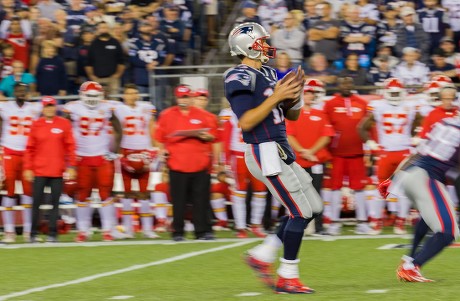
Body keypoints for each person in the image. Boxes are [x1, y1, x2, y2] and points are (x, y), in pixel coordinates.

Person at [225, 22, 323, 294]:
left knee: (313, 206)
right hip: (262, 149)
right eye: (261, 42)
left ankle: (263, 255)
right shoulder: (238, 75)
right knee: (300, 211)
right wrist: (277, 95)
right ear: (247, 46)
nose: (267, 46)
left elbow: (291, 116)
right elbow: (246, 121)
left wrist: (295, 97)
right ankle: (287, 275)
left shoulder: (269, 72)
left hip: (280, 149)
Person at [379, 87, 459, 283]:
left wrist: (393, 178)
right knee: (449, 232)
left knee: (428, 217)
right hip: (426, 178)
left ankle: (409, 258)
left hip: (412, 176)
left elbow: (417, 153)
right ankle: (412, 267)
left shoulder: (445, 123)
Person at [358, 78, 422, 234]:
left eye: (396, 93)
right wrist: (372, 144)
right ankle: (377, 221)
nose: (394, 95)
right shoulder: (379, 106)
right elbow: (361, 128)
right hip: (386, 152)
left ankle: (400, 222)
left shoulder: (410, 106)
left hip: (404, 152)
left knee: (405, 188)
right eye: (391, 92)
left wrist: (417, 136)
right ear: (386, 93)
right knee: (381, 189)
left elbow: (422, 122)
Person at [155, 84, 218, 241]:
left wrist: (205, 137)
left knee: (201, 200)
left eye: (186, 96)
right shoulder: (166, 115)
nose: (184, 99)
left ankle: (203, 231)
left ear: (191, 97)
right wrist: (162, 151)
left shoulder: (204, 115)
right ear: (176, 98)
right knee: (178, 201)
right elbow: (158, 138)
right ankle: (178, 232)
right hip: (177, 164)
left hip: (200, 164)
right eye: (181, 97)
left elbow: (213, 136)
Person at [63, 81, 122, 242]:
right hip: (81, 156)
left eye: (95, 96)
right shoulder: (73, 108)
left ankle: (108, 230)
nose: (92, 99)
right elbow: (64, 129)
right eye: (89, 96)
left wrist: (114, 152)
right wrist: (68, 155)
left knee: (105, 194)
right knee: (82, 195)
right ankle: (83, 230)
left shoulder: (107, 107)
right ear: (82, 95)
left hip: (102, 156)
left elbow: (118, 128)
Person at [323, 76, 372, 235]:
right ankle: (334, 223)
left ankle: (362, 222)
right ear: (338, 85)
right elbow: (325, 128)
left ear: (353, 85)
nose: (346, 85)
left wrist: (370, 149)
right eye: (343, 83)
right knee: (335, 187)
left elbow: (368, 128)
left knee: (359, 188)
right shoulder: (330, 104)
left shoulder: (362, 103)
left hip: (357, 153)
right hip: (336, 154)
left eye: (349, 83)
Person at [23, 96, 76, 243]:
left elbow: (70, 146)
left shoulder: (64, 124)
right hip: (39, 171)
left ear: (55, 107)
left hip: (57, 171)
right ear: (43, 108)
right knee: (36, 204)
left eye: (51, 105)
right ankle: (33, 234)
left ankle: (53, 234)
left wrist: (71, 166)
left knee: (55, 204)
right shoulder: (36, 125)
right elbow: (29, 149)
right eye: (47, 106)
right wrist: (28, 168)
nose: (49, 108)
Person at [285, 79, 334, 235]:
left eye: (311, 93)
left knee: (316, 193)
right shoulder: (293, 113)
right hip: (298, 161)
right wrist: (303, 151)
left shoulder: (321, 114)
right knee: (297, 193)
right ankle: (299, 224)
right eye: (306, 93)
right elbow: (289, 135)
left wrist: (311, 151)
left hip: (316, 161)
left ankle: (317, 226)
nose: (309, 96)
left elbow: (326, 136)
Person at [114, 83, 158, 239]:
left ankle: (147, 229)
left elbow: (152, 127)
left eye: (134, 93)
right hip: (126, 150)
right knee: (126, 192)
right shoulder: (118, 108)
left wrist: (154, 149)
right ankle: (128, 229)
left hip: (144, 150)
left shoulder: (146, 107)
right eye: (129, 93)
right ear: (124, 95)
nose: (132, 95)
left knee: (145, 192)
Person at [0, 82, 41, 243]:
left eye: (24, 90)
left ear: (28, 92)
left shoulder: (34, 108)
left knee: (28, 192)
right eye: (18, 90)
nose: (21, 93)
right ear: (14, 92)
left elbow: (52, 107)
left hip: (28, 155)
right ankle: (9, 231)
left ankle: (28, 231)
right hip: (9, 152)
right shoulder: (5, 106)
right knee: (9, 192)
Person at [219, 105, 268, 238]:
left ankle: (256, 225)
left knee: (261, 191)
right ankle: (241, 227)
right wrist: (225, 160)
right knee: (239, 192)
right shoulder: (232, 115)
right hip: (239, 155)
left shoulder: (262, 112)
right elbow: (226, 138)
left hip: (257, 155)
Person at [85, 21, 125, 96]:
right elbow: (88, 63)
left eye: (105, 27)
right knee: (98, 102)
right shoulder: (93, 44)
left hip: (113, 79)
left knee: (114, 102)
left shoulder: (115, 43)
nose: (104, 29)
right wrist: (92, 76)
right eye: (101, 28)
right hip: (97, 79)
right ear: (98, 29)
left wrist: (117, 75)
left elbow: (121, 61)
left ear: (109, 29)